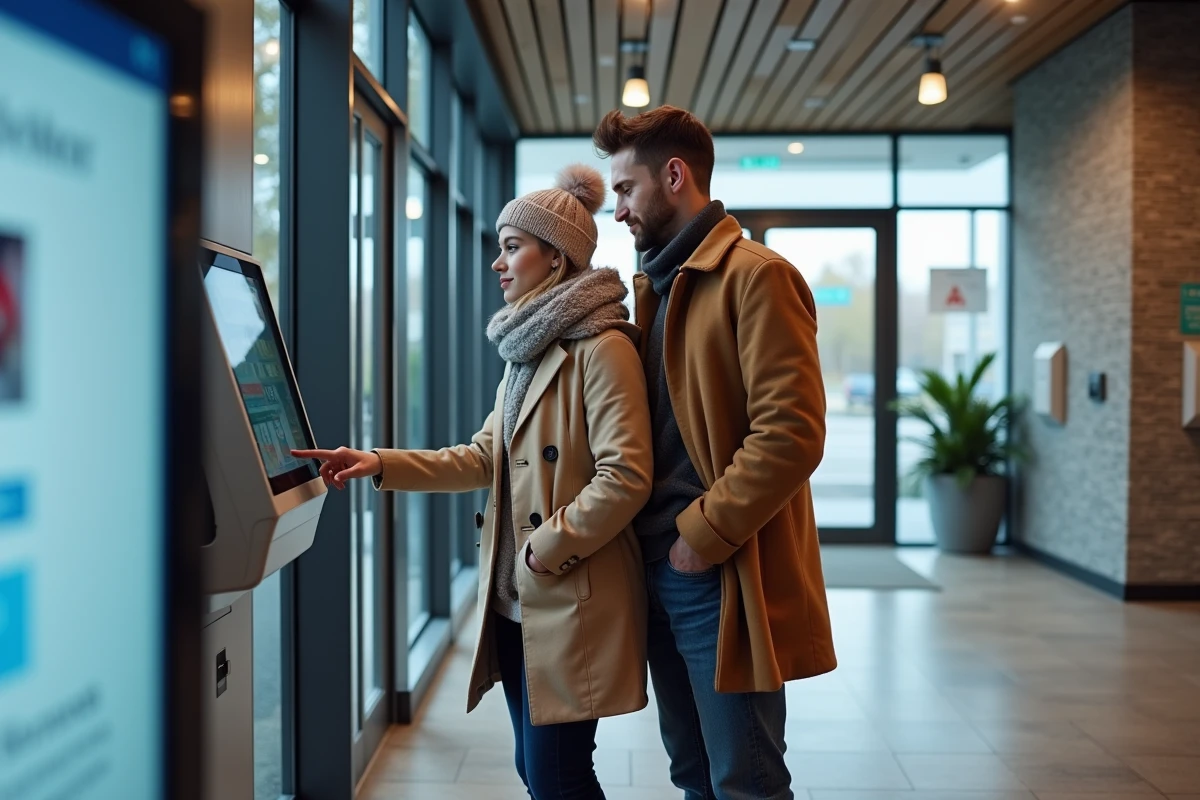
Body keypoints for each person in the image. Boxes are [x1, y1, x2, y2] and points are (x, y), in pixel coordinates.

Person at [294, 165, 653, 800]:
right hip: (519, 602)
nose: (498, 263)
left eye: (512, 246)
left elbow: (625, 476)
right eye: (500, 246)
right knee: (536, 769)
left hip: (567, 596)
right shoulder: (528, 351)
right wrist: (379, 461)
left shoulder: (603, 348)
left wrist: (546, 546)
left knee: (559, 777)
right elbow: (481, 457)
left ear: (557, 257)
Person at [593, 106, 836, 800]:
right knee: (692, 771)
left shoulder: (756, 276)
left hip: (715, 568)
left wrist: (701, 538)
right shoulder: (658, 287)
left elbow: (791, 432)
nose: (619, 211)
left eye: (626, 190)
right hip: (658, 566)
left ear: (675, 177)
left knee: (746, 779)